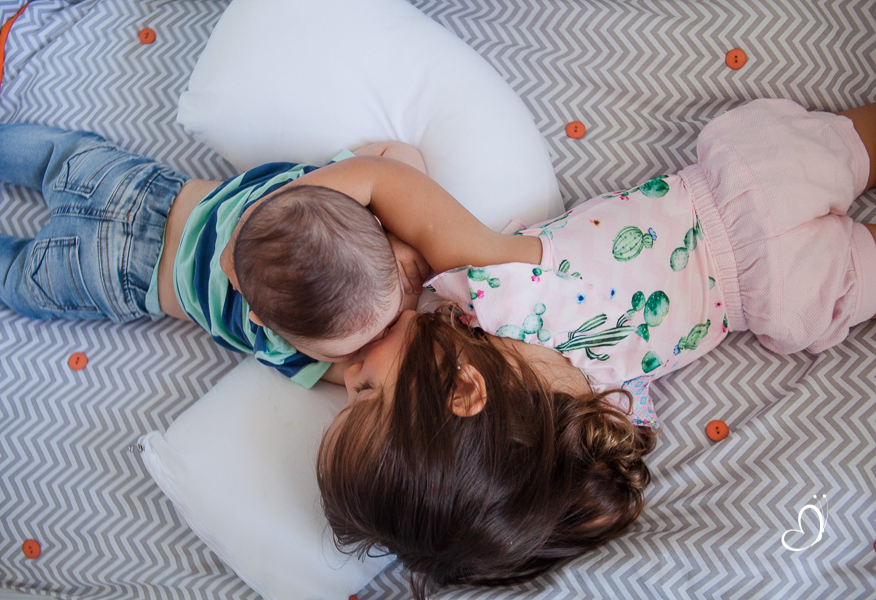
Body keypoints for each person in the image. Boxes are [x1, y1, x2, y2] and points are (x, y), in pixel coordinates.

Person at [314, 98, 876, 599]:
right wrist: (291, 208)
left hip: (788, 294)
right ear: (463, 387)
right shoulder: (498, 287)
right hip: (751, 187)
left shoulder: (595, 410)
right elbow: (384, 182)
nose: (350, 364)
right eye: (363, 394)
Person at [0, 118, 430, 387]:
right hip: (105, 274)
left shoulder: (305, 191)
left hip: (129, 186)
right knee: (18, 277)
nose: (379, 337)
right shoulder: (275, 339)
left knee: (56, 155)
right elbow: (352, 371)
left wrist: (401, 239)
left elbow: (396, 156)